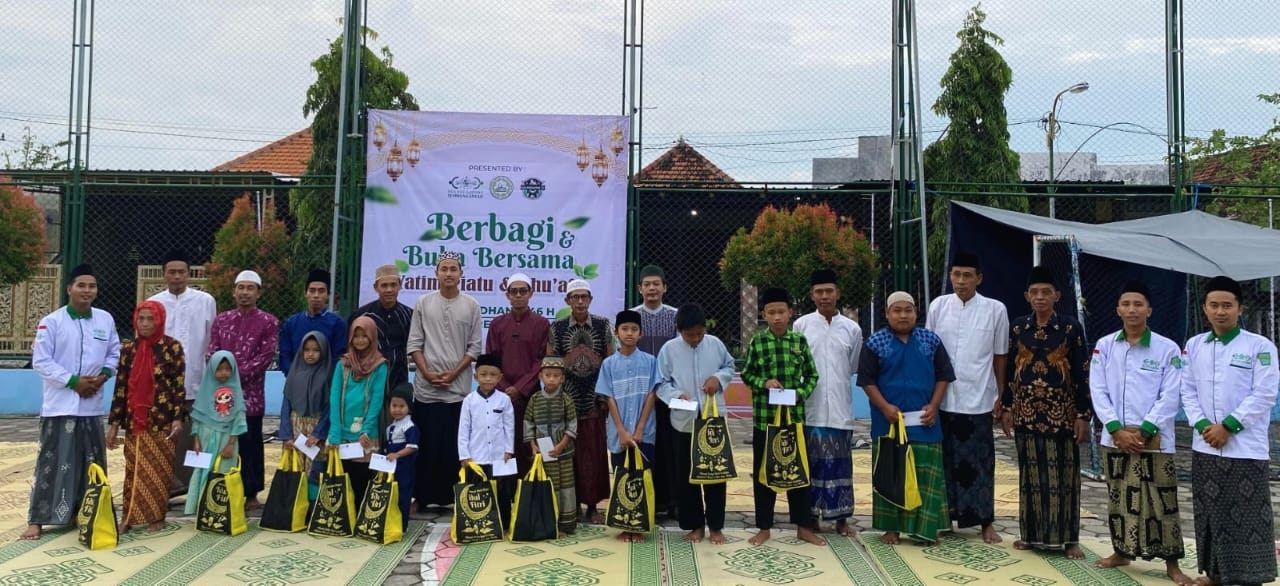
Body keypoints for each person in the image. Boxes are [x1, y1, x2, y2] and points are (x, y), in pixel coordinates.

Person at [1089, 281, 1191, 585]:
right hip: (1115, 438)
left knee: (1162, 501)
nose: (1132, 310)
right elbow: (1098, 389)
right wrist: (1116, 429)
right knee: (1118, 498)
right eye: (1126, 304)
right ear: (1118, 309)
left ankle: (1172, 564)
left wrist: (1144, 430)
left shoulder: (1167, 348)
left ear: (1149, 309)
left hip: (1155, 440)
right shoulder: (1105, 345)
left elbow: (1171, 394)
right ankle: (1121, 551)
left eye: (1138, 304)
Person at [1181, 276, 1279, 586]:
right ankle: (1216, 574)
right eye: (1214, 305)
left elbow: (1264, 393)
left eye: (1227, 305)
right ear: (1205, 309)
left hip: (1244, 447)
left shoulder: (1259, 346)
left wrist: (1228, 427)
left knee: (1249, 513)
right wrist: (1202, 425)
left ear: (1240, 309)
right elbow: (1187, 390)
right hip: (1204, 444)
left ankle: (1250, 577)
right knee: (1211, 511)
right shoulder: (1194, 345)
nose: (1220, 311)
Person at [1001, 266, 1092, 560]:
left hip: (1061, 416)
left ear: (1056, 296)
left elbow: (1080, 371)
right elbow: (1012, 371)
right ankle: (1030, 535)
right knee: (1030, 476)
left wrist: (1082, 414)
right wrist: (1006, 407)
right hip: (1026, 413)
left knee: (1064, 478)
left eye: (1046, 292)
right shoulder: (1018, 328)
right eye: (1035, 293)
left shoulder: (1069, 328)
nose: (1040, 298)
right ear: (1027, 296)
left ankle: (1069, 540)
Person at [23, 264, 120, 540]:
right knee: (52, 462)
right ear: (69, 289)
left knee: (92, 462)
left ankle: (90, 512)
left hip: (91, 407)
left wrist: (101, 377)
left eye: (92, 286)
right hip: (60, 406)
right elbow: (41, 361)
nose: (87, 291)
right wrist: (73, 381)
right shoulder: (51, 322)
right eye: (81, 285)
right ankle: (38, 519)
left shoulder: (105, 320)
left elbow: (114, 353)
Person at [858, 291, 956, 545]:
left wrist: (934, 406)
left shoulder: (931, 340)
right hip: (888, 422)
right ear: (888, 313)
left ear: (916, 312)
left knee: (925, 477)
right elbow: (866, 381)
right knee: (891, 474)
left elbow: (944, 375)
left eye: (908, 310)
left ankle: (925, 529)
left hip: (925, 422)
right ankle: (891, 528)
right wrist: (884, 407)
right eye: (897, 310)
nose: (903, 315)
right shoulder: (874, 342)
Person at [925, 252, 1008, 544]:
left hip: (979, 398)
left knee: (980, 463)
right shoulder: (938, 306)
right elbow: (929, 351)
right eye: (956, 274)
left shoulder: (995, 310)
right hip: (943, 398)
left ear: (979, 278)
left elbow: (1000, 355)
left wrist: (1001, 394)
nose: (961, 281)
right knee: (944, 461)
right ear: (950, 275)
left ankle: (985, 522)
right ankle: (943, 519)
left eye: (967, 275)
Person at [741, 287, 824, 547]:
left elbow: (812, 376)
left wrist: (800, 393)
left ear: (790, 313)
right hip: (765, 421)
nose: (777, 317)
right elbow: (746, 374)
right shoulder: (758, 342)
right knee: (763, 475)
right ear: (764, 314)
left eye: (781, 312)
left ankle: (803, 526)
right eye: (771, 312)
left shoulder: (799, 342)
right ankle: (764, 527)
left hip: (794, 420)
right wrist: (763, 383)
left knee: (798, 475)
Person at [407, 251, 482, 511]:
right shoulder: (423, 303)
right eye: (444, 268)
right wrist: (427, 373)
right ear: (436, 273)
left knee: (454, 444)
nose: (449, 273)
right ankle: (422, 497)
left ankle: (454, 496)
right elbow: (415, 343)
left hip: (457, 388)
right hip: (427, 388)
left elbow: (474, 347)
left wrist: (453, 373)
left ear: (461, 274)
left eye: (453, 269)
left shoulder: (471, 305)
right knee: (425, 443)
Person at [655, 303, 735, 545]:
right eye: (690, 335)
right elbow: (660, 383)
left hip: (712, 420)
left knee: (714, 474)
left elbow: (729, 367)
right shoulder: (669, 350)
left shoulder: (715, 344)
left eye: (699, 333)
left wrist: (717, 379)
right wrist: (676, 395)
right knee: (686, 475)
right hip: (683, 422)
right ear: (678, 330)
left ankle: (716, 526)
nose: (696, 338)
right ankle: (695, 525)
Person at [792, 269, 862, 537]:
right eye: (819, 292)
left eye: (829, 291)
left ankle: (841, 519)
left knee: (841, 466)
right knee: (812, 466)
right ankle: (810, 519)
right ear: (812, 295)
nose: (824, 297)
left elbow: (853, 365)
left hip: (841, 410)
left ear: (837, 293)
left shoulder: (852, 328)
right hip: (811, 408)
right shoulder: (802, 326)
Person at [107, 300, 188, 533]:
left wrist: (177, 418)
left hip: (162, 421)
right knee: (133, 469)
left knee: (159, 470)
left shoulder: (172, 348)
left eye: (150, 319)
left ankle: (156, 516)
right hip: (135, 420)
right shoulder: (128, 350)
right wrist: (114, 425)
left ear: (160, 320)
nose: (144, 323)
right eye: (141, 318)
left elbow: (178, 386)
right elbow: (121, 388)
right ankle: (129, 517)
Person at [208, 269, 279, 510]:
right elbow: (212, 352)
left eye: (250, 288)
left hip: (251, 396)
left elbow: (265, 357)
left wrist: (234, 374)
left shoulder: (268, 322)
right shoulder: (222, 320)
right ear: (234, 291)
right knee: (222, 443)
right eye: (241, 288)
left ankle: (250, 494)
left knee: (250, 444)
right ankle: (222, 489)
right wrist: (222, 374)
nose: (245, 293)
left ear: (258, 292)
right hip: (222, 395)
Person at [149, 249, 216, 496]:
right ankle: (168, 486)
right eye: (172, 272)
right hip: (163, 386)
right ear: (164, 274)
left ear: (189, 274)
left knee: (194, 437)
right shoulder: (155, 303)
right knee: (167, 437)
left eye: (181, 272)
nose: (176, 277)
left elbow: (212, 340)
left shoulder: (205, 301)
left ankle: (193, 488)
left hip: (196, 381)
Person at [548, 278, 614, 524]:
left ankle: (593, 506)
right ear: (567, 301)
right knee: (568, 456)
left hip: (594, 402)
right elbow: (551, 363)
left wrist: (607, 398)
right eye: (574, 297)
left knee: (594, 455)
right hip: (568, 401)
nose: (579, 301)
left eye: (584, 296)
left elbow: (609, 362)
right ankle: (571, 505)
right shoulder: (557, 328)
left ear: (590, 299)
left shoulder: (602, 325)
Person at [595, 309, 658, 543]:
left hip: (646, 432)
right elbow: (609, 397)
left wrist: (640, 428)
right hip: (618, 434)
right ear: (616, 333)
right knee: (622, 477)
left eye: (634, 329)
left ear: (640, 334)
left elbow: (652, 394)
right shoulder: (609, 364)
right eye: (625, 329)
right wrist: (621, 430)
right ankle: (624, 524)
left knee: (642, 477)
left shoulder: (651, 362)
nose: (629, 334)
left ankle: (639, 526)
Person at [485, 272, 550, 478]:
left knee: (527, 443)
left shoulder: (541, 324)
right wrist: (505, 388)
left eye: (523, 291)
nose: (519, 295)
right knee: (502, 443)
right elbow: (492, 359)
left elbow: (542, 360)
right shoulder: (497, 324)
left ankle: (527, 491)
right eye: (514, 291)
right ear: (507, 295)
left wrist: (520, 388)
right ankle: (504, 492)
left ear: (531, 293)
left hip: (529, 396)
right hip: (501, 396)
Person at [631, 264, 679, 518]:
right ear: (640, 289)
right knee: (644, 445)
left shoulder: (675, 316)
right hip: (639, 395)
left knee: (669, 446)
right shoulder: (631, 317)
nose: (651, 288)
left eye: (656, 284)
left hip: (668, 393)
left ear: (664, 288)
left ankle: (672, 501)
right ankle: (647, 500)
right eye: (647, 284)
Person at [327, 317, 388, 506]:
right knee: (342, 479)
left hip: (365, 434)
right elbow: (334, 398)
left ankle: (362, 518)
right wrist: (335, 431)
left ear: (372, 337)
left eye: (364, 336)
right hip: (342, 432)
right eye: (356, 336)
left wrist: (367, 429)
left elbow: (377, 400)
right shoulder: (343, 364)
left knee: (362, 480)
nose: (360, 340)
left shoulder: (380, 365)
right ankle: (344, 519)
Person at [185, 352, 247, 515]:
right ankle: (201, 508)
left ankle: (221, 511)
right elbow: (198, 417)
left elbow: (239, 419)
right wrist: (196, 440)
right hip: (205, 440)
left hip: (226, 441)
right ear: (211, 370)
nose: (224, 373)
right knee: (202, 472)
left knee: (224, 472)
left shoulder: (236, 392)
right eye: (219, 369)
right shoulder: (206, 390)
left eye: (227, 369)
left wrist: (231, 444)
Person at [459, 353, 515, 525]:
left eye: (492, 375)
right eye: (483, 374)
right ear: (476, 376)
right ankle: (478, 523)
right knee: (477, 493)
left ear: (500, 377)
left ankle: (502, 523)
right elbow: (463, 429)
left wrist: (508, 450)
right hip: (476, 457)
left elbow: (509, 427)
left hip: (499, 457)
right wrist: (464, 455)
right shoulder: (469, 400)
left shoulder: (504, 400)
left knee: (501, 492)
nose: (488, 379)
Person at [525, 356, 579, 536]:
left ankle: (566, 524)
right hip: (543, 454)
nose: (551, 379)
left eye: (556, 376)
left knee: (566, 488)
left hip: (563, 454)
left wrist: (561, 446)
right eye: (548, 375)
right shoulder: (534, 399)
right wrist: (533, 446)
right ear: (540, 376)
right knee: (548, 487)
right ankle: (549, 523)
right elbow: (528, 423)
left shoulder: (566, 400)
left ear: (562, 378)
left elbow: (572, 426)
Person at [279, 331, 334, 498]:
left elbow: (329, 408)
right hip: (295, 429)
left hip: (315, 431)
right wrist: (286, 435)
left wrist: (319, 433)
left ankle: (312, 507)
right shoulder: (294, 374)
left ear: (323, 352)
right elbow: (286, 406)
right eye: (307, 350)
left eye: (316, 350)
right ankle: (294, 507)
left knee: (315, 470)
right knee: (294, 469)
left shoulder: (328, 376)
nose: (310, 354)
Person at [349, 264, 415, 390]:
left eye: (393, 285)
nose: (389, 290)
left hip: (398, 381)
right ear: (376, 287)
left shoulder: (408, 315)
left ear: (400, 285)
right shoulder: (362, 315)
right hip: (367, 380)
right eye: (384, 285)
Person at [279, 269, 347, 376]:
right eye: (312, 290)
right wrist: (294, 376)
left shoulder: (338, 324)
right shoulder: (292, 323)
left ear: (328, 295)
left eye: (321, 291)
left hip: (325, 383)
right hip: (296, 380)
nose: (316, 295)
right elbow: (285, 355)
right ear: (305, 293)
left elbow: (338, 358)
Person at [382, 383, 419, 531]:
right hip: (391, 468)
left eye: (401, 406)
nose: (397, 410)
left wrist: (397, 454)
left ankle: (402, 524)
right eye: (394, 405)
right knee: (392, 493)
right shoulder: (390, 427)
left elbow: (412, 446)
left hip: (404, 468)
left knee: (403, 495)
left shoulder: (409, 426)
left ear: (408, 407)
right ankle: (390, 520)